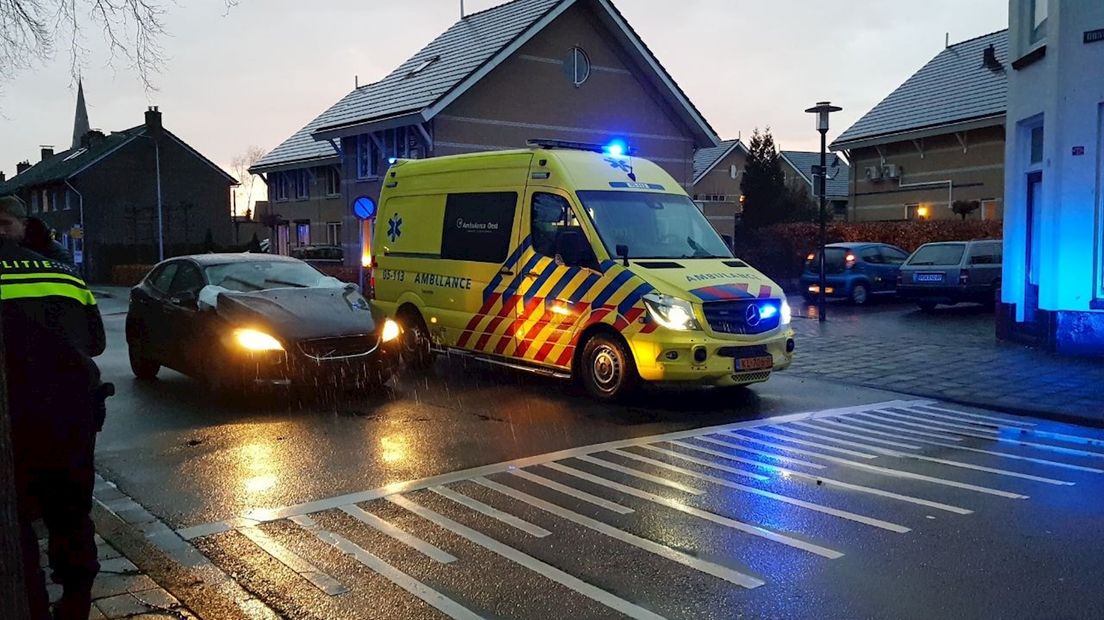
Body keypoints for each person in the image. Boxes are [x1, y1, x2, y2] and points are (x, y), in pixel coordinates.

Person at [0, 195, 107, 620]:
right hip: (71, 416)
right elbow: (96, 342)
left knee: (17, 519)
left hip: (13, 422)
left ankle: (32, 604)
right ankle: (77, 603)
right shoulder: (64, 272)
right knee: (71, 513)